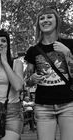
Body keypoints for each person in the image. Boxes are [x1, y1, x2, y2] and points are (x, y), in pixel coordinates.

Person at [24, 7, 73, 140]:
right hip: (43, 106)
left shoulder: (69, 44)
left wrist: (67, 53)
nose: (45, 20)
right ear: (38, 24)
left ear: (56, 21)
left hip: (68, 104)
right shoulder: (33, 50)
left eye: (49, 17)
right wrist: (32, 79)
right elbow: (27, 82)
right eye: (42, 18)